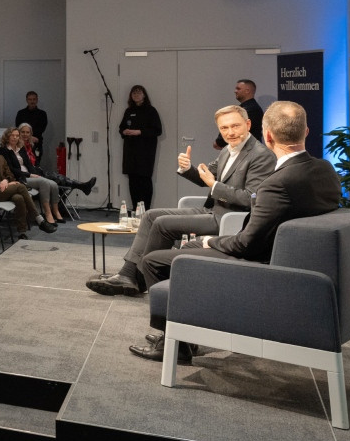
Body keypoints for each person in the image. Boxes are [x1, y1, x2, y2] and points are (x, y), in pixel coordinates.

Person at [128, 101, 342, 362]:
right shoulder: (327, 169)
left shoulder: (277, 183)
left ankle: (177, 343)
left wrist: (212, 241)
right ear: (306, 131)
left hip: (261, 265)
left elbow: (245, 244)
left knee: (153, 261)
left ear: (267, 135)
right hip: (299, 267)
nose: (229, 132)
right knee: (179, 243)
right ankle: (183, 333)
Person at [87, 103, 275, 298]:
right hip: (212, 211)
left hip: (228, 218)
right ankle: (128, 274)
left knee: (162, 224)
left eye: (235, 126)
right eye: (224, 128)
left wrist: (214, 186)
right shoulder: (227, 150)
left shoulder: (260, 156)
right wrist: (187, 168)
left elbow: (250, 198)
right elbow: (207, 176)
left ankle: (138, 277)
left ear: (248, 124)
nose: (230, 132)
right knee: (151, 216)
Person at [0, 130, 50, 236]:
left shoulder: (0, 158)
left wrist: (6, 181)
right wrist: (0, 183)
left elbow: (10, 175)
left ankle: (22, 231)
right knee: (20, 187)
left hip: (4, 189)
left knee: (19, 198)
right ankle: (39, 219)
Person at [0, 127, 62, 225]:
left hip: (29, 175)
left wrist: (34, 174)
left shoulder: (21, 147)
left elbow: (28, 164)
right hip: (19, 178)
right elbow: (11, 169)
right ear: (7, 136)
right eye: (12, 135)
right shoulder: (3, 150)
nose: (15, 138)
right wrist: (29, 175)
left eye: (17, 135)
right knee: (44, 182)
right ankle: (47, 213)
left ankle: (56, 211)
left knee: (53, 184)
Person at [119, 84, 162, 209]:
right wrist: (124, 131)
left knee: (144, 180)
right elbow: (121, 128)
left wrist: (140, 132)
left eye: (138, 92)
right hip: (130, 152)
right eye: (133, 93)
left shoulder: (151, 111)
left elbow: (157, 131)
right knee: (133, 181)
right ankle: (135, 209)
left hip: (145, 152)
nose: (136, 95)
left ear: (144, 95)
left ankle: (146, 210)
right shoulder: (129, 111)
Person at [215, 78, 265, 147]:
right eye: (224, 128)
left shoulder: (252, 110)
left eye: (238, 89)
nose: (235, 91)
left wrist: (219, 142)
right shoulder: (247, 108)